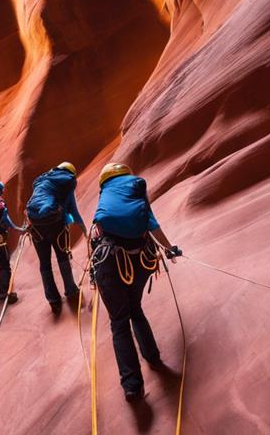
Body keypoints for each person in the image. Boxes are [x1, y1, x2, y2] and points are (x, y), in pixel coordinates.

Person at [91, 163, 182, 401]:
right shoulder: (136, 186)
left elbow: (96, 233)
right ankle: (152, 356)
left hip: (110, 261)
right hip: (141, 261)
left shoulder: (105, 195)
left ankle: (132, 385)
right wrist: (170, 249)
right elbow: (150, 222)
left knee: (119, 322)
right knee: (135, 309)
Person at [26, 161, 85, 313]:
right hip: (56, 225)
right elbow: (74, 211)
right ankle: (71, 290)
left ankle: (53, 300)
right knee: (62, 258)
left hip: (36, 227)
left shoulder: (43, 180)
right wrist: (84, 230)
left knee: (44, 264)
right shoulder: (66, 184)